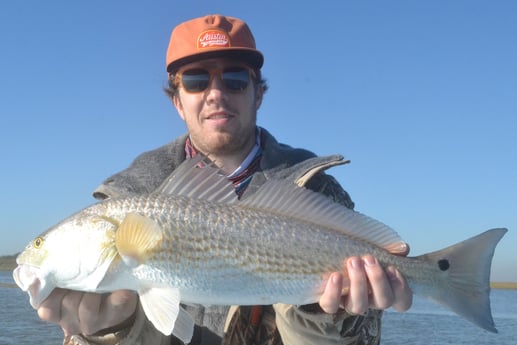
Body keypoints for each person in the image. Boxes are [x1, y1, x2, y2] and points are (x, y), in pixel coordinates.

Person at [37, 14, 412, 345]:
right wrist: (110, 332)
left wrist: (323, 315)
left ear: (258, 95)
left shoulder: (319, 191)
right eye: (196, 80)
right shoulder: (130, 196)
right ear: (177, 100)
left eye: (234, 80)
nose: (216, 93)